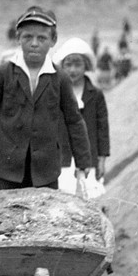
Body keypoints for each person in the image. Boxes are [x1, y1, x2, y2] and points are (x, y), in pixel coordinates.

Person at [0, 7, 91, 190]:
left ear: (53, 41)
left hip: (45, 169)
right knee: (4, 214)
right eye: (28, 37)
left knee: (44, 215)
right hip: (5, 167)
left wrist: (83, 162)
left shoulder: (59, 77)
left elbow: (74, 121)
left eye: (42, 38)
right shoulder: (4, 73)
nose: (34, 44)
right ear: (18, 39)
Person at [53, 37, 110, 184]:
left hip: (89, 158)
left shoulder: (95, 94)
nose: (73, 70)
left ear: (86, 65)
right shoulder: (55, 93)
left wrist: (102, 160)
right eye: (68, 65)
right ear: (62, 67)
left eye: (78, 65)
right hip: (61, 159)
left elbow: (102, 129)